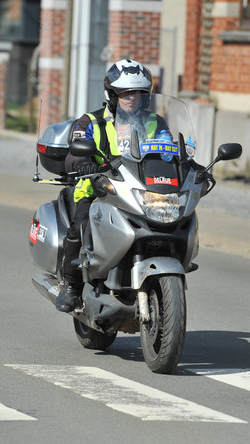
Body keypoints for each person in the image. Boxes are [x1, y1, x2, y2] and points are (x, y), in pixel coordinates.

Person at [56, 59, 170, 312]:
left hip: (140, 189)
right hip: (99, 189)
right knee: (81, 225)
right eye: (126, 94)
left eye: (138, 94)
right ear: (112, 95)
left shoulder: (156, 123)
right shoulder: (90, 122)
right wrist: (83, 163)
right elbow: (74, 153)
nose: (132, 99)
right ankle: (71, 286)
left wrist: (186, 164)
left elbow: (169, 150)